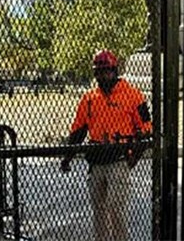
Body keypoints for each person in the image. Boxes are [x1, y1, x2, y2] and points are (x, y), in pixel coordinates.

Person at [60, 50, 152, 241]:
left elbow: (146, 129)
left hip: (118, 159)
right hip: (96, 161)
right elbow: (78, 131)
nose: (103, 76)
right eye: (99, 72)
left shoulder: (133, 95)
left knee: (116, 209)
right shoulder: (89, 98)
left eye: (106, 71)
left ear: (115, 70)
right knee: (99, 211)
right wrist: (68, 157)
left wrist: (133, 157)